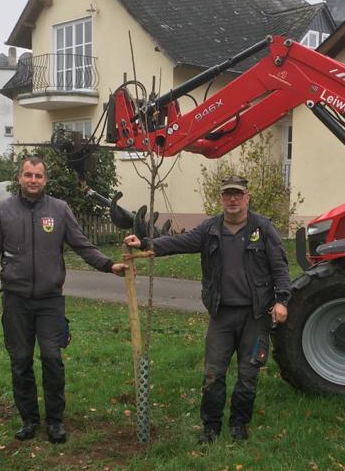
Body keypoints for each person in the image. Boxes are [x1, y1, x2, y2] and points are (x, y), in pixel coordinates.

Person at [125, 175, 291, 443]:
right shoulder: (210, 229)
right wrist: (146, 243)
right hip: (221, 315)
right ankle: (211, 427)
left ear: (247, 198)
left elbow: (280, 267)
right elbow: (179, 242)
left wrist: (282, 300)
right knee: (213, 373)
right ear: (221, 199)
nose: (233, 199)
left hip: (256, 315)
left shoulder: (263, 228)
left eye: (238, 194)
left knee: (249, 373)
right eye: (228, 195)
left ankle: (239, 425)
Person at [0, 157, 127, 444]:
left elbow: (82, 245)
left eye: (38, 175)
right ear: (19, 178)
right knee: (20, 361)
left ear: (45, 180)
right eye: (28, 175)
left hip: (50, 302)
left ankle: (55, 421)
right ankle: (29, 420)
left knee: (52, 358)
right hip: (16, 301)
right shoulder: (2, 211)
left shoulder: (59, 210)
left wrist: (109, 265)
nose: (33, 180)